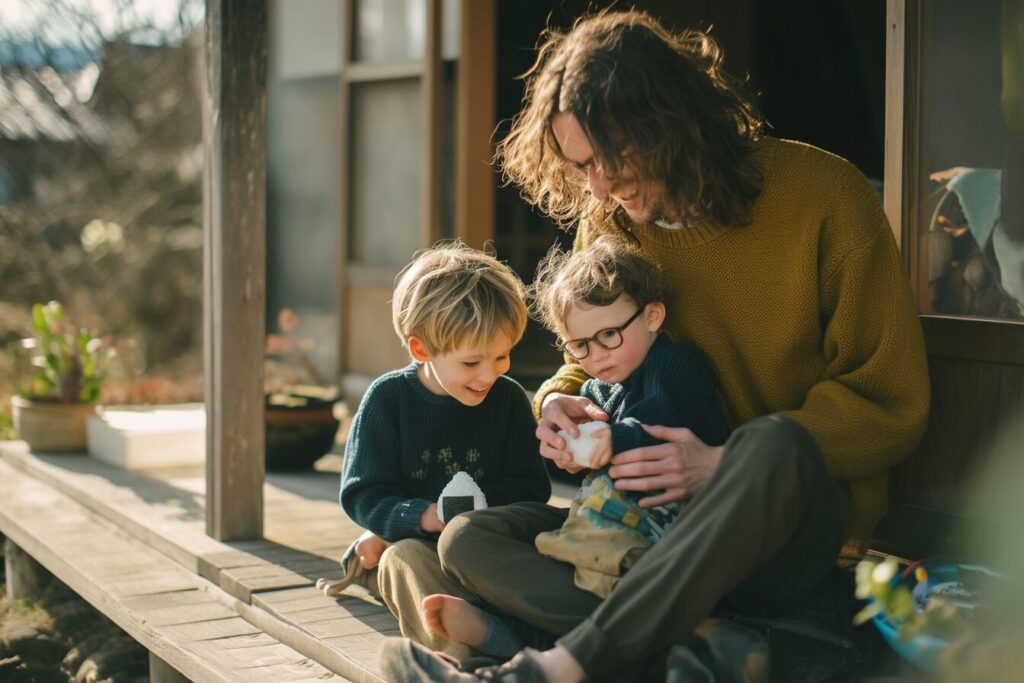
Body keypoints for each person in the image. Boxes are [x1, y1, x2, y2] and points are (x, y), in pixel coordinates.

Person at [380, 9, 930, 682]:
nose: (600, 187)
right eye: (582, 167)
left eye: (612, 158)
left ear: (669, 118)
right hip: (643, 529)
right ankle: (705, 644)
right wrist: (557, 406)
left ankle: (549, 665)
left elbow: (888, 401)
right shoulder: (610, 217)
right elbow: (580, 362)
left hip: (783, 532)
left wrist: (721, 465)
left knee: (773, 441)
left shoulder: (825, 195)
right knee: (471, 538)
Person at [320, 242, 551, 658]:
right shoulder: (388, 400)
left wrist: (472, 514)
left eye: (503, 356)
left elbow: (530, 488)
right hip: (413, 543)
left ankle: (541, 640)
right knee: (402, 562)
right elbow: (363, 492)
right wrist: (420, 517)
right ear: (421, 350)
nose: (490, 374)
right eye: (471, 363)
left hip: (483, 545)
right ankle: (474, 656)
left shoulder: (510, 399)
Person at [528, 237, 729, 603]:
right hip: (620, 522)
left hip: (680, 522)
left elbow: (654, 424)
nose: (597, 356)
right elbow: (587, 413)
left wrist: (611, 441)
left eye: (608, 335)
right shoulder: (607, 385)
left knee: (593, 562)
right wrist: (565, 442)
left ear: (652, 317)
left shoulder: (675, 364)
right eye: (580, 345)